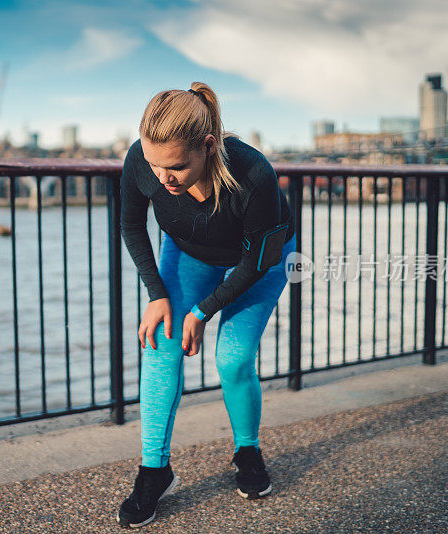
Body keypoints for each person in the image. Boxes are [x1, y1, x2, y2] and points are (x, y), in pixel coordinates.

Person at [116, 82, 296, 529]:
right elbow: (131, 224)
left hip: (257, 262)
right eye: (156, 166)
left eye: (176, 167)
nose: (164, 179)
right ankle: (154, 471)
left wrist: (203, 311)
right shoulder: (142, 158)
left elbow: (256, 260)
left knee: (233, 360)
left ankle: (247, 450)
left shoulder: (254, 174)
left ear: (208, 147)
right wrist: (157, 295)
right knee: (161, 344)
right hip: (189, 253)